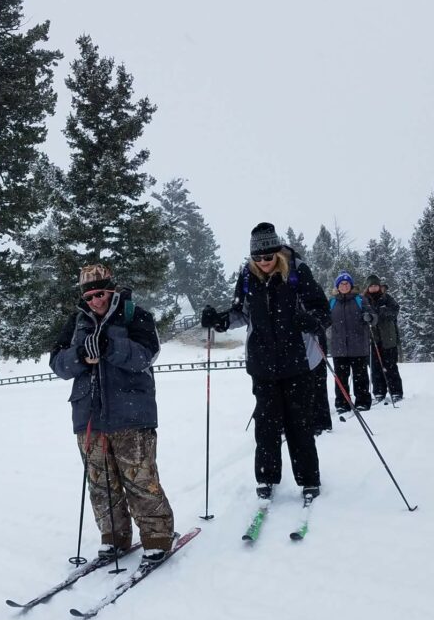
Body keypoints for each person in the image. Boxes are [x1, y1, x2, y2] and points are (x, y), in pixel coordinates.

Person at [50, 264, 175, 565]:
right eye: (90, 296)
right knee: (100, 481)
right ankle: (114, 536)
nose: (96, 301)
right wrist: (79, 356)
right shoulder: (76, 322)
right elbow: (57, 363)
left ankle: (157, 536)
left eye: (102, 293)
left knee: (140, 478)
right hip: (88, 414)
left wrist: (109, 346)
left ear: (112, 289)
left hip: (131, 412)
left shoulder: (134, 314)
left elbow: (148, 354)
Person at [201, 222, 330, 502]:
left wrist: (312, 321)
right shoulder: (248, 276)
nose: (263, 263)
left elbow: (323, 310)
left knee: (299, 424)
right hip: (262, 364)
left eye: (268, 258)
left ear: (278, 254)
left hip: (297, 361)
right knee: (267, 425)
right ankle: (267, 477)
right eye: (257, 258)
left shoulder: (298, 273)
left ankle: (309, 478)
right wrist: (219, 320)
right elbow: (240, 313)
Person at [329, 271, 377, 414]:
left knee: (360, 376)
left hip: (358, 345)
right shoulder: (332, 302)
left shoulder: (360, 299)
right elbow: (325, 320)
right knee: (341, 378)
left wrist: (369, 317)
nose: (344, 286)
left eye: (347, 283)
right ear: (337, 286)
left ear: (351, 285)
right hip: (339, 347)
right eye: (341, 284)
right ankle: (342, 403)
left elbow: (373, 317)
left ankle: (362, 401)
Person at [363, 274, 404, 402]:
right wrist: (366, 317)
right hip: (372, 339)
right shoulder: (364, 300)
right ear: (368, 288)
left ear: (379, 286)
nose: (374, 288)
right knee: (375, 367)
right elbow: (361, 314)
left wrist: (383, 312)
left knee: (390, 365)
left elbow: (395, 310)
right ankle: (379, 391)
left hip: (388, 338)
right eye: (371, 286)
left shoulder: (386, 298)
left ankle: (396, 391)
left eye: (376, 285)